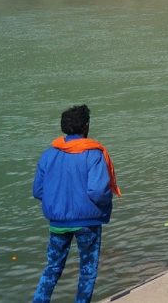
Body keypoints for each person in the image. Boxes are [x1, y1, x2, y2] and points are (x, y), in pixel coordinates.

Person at [32, 104, 120, 303]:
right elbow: (98, 191)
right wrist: (105, 205)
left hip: (58, 222)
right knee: (87, 270)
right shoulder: (94, 154)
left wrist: (57, 202)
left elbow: (38, 191)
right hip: (88, 222)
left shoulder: (48, 155)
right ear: (86, 126)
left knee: (52, 268)